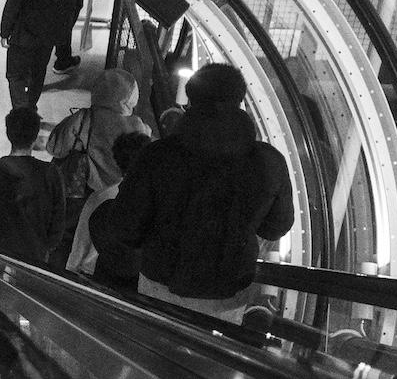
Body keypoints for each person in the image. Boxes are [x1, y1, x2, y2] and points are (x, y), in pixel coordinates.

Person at [93, 63, 294, 323]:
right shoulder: (268, 161)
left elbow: (125, 228)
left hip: (159, 285)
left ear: (191, 100)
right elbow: (276, 227)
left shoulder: (157, 156)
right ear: (240, 99)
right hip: (228, 292)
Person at [44, 66, 151, 267]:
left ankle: (56, 275)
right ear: (128, 98)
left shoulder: (84, 118)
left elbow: (55, 147)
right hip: (116, 199)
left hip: (80, 196)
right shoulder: (138, 126)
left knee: (66, 241)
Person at [0, 0, 88, 107]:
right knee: (38, 72)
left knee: (16, 74)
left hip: (24, 34)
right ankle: (30, 107)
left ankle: (20, 111)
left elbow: (14, 2)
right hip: (48, 35)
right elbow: (70, 4)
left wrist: (5, 31)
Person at [0, 106, 63, 265]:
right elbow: (57, 228)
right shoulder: (51, 173)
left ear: (8, 133)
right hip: (34, 261)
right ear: (35, 135)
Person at [67, 129, 153, 291]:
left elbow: (80, 246)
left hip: (94, 280)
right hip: (136, 287)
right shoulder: (151, 203)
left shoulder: (100, 198)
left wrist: (70, 278)